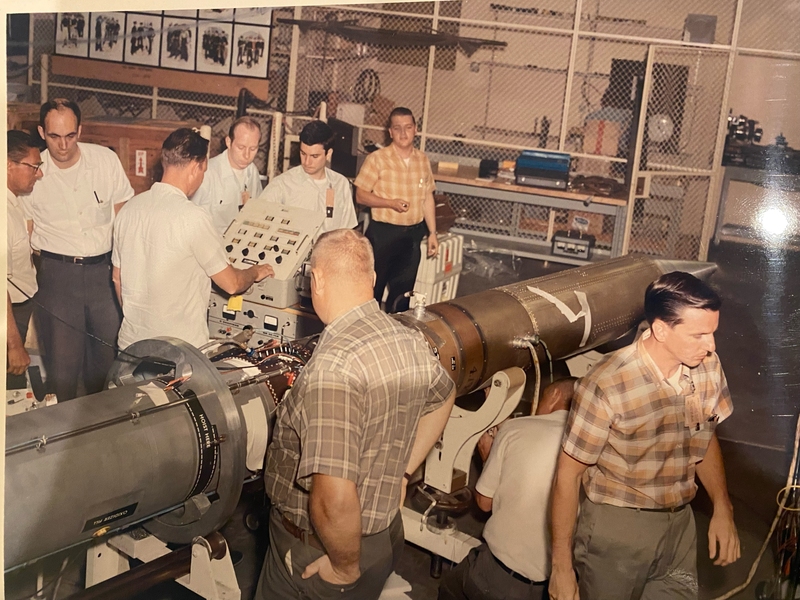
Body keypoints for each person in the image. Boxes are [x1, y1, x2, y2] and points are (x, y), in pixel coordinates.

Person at [256, 229, 456, 600]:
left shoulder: (334, 369)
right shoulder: (407, 339)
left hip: (319, 553)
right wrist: (403, 471)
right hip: (381, 538)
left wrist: (345, 566)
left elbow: (333, 496)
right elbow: (445, 396)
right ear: (373, 279)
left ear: (315, 279)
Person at [549, 272, 740, 600]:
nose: (711, 345)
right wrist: (561, 568)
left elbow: (704, 436)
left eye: (712, 333)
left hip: (680, 526)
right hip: (617, 532)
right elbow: (568, 476)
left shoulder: (708, 366)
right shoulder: (606, 383)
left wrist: (723, 507)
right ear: (661, 330)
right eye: (699, 335)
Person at [112, 128, 274, 349]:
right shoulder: (194, 217)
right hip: (179, 352)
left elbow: (117, 279)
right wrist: (255, 272)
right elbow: (232, 284)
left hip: (131, 346)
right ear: (196, 166)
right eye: (203, 170)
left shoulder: (129, 209)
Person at [21, 98, 134, 401]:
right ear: (42, 132)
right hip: (58, 277)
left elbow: (123, 213)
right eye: (55, 136)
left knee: (107, 362)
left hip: (104, 274)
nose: (63, 145)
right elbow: (26, 231)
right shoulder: (32, 172)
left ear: (80, 130)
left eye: (71, 135)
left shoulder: (105, 161)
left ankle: (102, 433)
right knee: (63, 367)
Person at [438, 378, 576, 600]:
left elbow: (484, 503)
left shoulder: (517, 429)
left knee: (450, 589)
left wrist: (488, 456)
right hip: (546, 586)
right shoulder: (590, 445)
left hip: (496, 577)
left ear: (554, 397)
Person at [354, 107, 438, 313]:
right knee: (371, 293)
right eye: (397, 128)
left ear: (415, 129)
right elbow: (360, 195)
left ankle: (396, 338)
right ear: (390, 132)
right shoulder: (377, 158)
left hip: (411, 238)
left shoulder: (422, 160)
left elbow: (428, 197)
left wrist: (433, 233)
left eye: (408, 127)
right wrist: (389, 203)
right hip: (383, 235)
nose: (403, 133)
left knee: (402, 297)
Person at [257, 120, 357, 240]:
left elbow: (347, 232)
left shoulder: (341, 184)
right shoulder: (282, 184)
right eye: (303, 154)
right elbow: (258, 221)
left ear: (328, 153)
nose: (307, 162)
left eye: (315, 156)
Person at [6, 131, 44, 389]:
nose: (39, 174)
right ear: (9, 165)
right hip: (8, 319)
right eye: (34, 167)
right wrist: (14, 345)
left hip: (19, 311)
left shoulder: (14, 203)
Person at [191, 116, 264, 234]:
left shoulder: (252, 171)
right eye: (241, 147)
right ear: (228, 142)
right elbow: (190, 218)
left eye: (253, 149)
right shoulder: (208, 173)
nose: (246, 155)